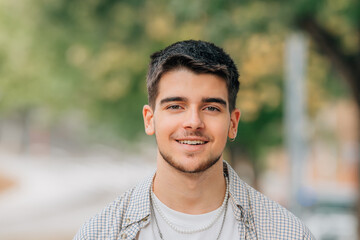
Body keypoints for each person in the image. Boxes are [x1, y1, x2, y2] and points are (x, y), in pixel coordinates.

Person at [74, 40, 314, 240]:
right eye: (176, 106)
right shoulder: (100, 233)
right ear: (150, 119)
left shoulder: (287, 233)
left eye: (210, 108)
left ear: (233, 123)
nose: (193, 122)